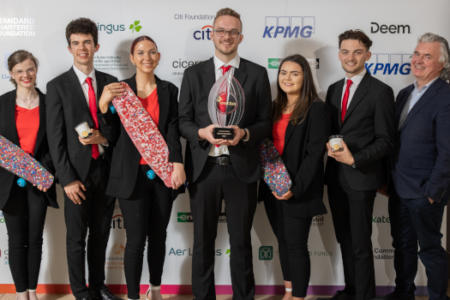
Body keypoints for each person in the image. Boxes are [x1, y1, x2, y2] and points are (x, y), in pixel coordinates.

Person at [178, 7, 272, 300]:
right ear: (212, 34)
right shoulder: (193, 74)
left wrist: (244, 134)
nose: (227, 36)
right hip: (204, 168)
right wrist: (201, 133)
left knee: (241, 242)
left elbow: (266, 122)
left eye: (233, 31)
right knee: (203, 242)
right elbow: (183, 121)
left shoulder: (257, 74)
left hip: (240, 168)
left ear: (241, 36)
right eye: (221, 30)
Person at [98, 35, 186, 300]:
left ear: (158, 57)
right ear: (132, 58)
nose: (147, 57)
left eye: (152, 52)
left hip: (162, 174)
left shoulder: (169, 90)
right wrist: (104, 105)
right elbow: (110, 135)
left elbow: (173, 130)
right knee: (135, 240)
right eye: (141, 53)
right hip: (130, 176)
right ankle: (134, 296)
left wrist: (178, 163)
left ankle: (155, 290)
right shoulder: (119, 90)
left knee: (158, 236)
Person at [46, 18, 119, 300]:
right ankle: (80, 291)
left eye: (87, 42)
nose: (82, 48)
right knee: (76, 238)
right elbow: (55, 139)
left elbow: (116, 129)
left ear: (96, 45)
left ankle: (98, 285)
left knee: (100, 234)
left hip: (106, 171)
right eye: (76, 43)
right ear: (69, 48)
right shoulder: (57, 86)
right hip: (75, 175)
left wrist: (104, 138)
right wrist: (67, 180)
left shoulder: (111, 84)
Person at [323, 30, 395, 300]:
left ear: (367, 55)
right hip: (335, 178)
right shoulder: (333, 89)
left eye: (356, 52)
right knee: (345, 239)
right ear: (339, 54)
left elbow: (386, 140)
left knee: (361, 243)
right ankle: (352, 290)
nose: (350, 57)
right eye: (345, 51)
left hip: (361, 177)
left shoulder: (380, 92)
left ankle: (365, 295)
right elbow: (331, 132)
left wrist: (356, 159)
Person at [382, 33, 450, 300]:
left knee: (431, 248)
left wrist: (434, 191)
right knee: (403, 245)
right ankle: (404, 292)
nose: (418, 60)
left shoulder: (445, 96)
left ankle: (437, 296)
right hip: (398, 188)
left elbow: (448, 151)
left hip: (425, 192)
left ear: (441, 64)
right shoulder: (405, 93)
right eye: (417, 54)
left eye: (427, 56)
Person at [259, 54, 330, 300]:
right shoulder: (273, 107)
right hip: (273, 188)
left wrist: (295, 188)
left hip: (299, 190)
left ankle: (299, 297)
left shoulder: (316, 108)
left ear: (305, 77)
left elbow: (314, 154)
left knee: (297, 245)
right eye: (283, 73)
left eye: (295, 73)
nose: (287, 78)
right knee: (283, 242)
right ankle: (288, 293)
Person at [0, 50, 57, 300]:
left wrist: (38, 170)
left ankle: (33, 292)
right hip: (7, 183)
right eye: (20, 70)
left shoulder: (49, 103)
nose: (26, 75)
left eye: (30, 69)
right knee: (15, 240)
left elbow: (55, 145)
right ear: (11, 74)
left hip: (39, 182)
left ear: (36, 70)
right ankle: (21, 294)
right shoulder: (1, 103)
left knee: (35, 240)